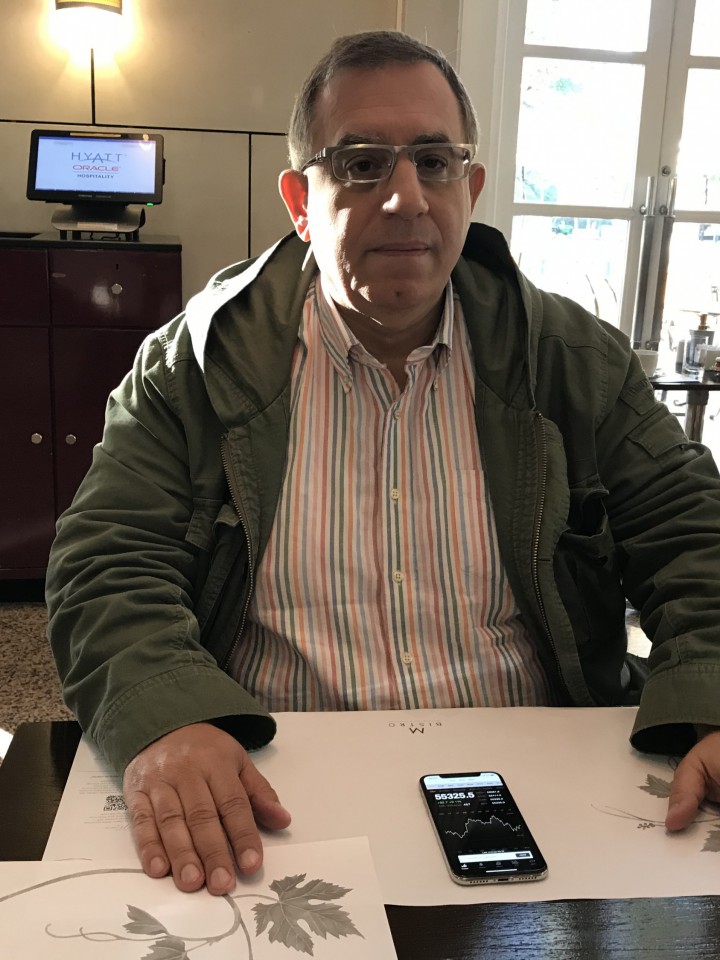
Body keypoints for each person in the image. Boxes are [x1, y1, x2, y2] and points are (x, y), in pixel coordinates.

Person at [46, 30, 720, 898]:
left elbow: (694, 537)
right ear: (300, 199)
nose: (406, 198)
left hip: (542, 785)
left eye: (435, 162)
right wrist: (168, 713)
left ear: (470, 189)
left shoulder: (573, 360)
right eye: (362, 164)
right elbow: (107, 560)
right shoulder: (191, 367)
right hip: (273, 785)